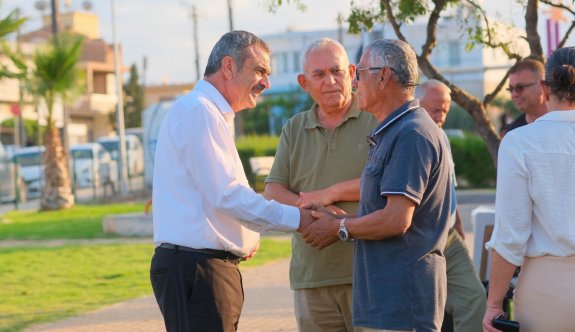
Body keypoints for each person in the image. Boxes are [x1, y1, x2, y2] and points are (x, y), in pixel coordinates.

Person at [149, 30, 314, 332]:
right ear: (228, 67)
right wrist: (299, 219)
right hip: (199, 271)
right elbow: (227, 195)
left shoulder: (206, 112)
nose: (267, 82)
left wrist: (246, 237)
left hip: (203, 269)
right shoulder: (200, 111)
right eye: (260, 71)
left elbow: (213, 196)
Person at [302, 39, 453, 332]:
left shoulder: (412, 134)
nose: (354, 82)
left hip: (403, 305)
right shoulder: (394, 130)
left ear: (383, 76)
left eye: (358, 73)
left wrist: (339, 228)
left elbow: (396, 220)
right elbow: (382, 212)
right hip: (385, 305)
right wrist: (340, 219)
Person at [264, 38, 378, 332]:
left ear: (352, 73)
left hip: (369, 275)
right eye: (319, 74)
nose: (330, 81)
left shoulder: (376, 119)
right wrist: (318, 213)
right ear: (304, 83)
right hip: (311, 277)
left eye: (337, 71)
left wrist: (329, 194)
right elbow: (273, 190)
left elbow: (384, 183)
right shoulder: (294, 127)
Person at [482, 47, 575, 331]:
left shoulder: (520, 142)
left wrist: (494, 305)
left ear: (545, 87)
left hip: (549, 288)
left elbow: (511, 235)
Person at [417, 80, 486, 332]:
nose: (441, 117)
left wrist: (456, 224)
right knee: (424, 312)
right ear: (416, 105)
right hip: (419, 242)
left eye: (445, 111)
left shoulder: (442, 137)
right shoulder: (409, 139)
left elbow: (450, 188)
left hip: (449, 238)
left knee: (474, 297)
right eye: (435, 110)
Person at [503, 59, 548, 134]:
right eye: (511, 89)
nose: (514, 94)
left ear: (541, 85)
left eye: (520, 87)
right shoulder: (513, 132)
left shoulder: (565, 123)